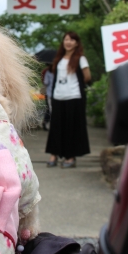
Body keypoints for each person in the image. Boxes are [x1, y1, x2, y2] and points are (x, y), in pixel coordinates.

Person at [45, 31, 91, 168]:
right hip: (58, 96)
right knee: (56, 127)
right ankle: (53, 155)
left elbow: (87, 76)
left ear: (76, 43)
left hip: (74, 97)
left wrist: (74, 85)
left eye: (72, 40)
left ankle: (70, 157)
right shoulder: (59, 59)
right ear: (63, 42)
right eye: (66, 39)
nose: (68, 42)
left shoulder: (80, 58)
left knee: (72, 128)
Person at [42, 64, 54, 130]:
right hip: (56, 94)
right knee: (51, 109)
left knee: (49, 109)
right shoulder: (58, 71)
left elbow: (45, 82)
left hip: (49, 93)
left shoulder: (48, 72)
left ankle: (46, 122)